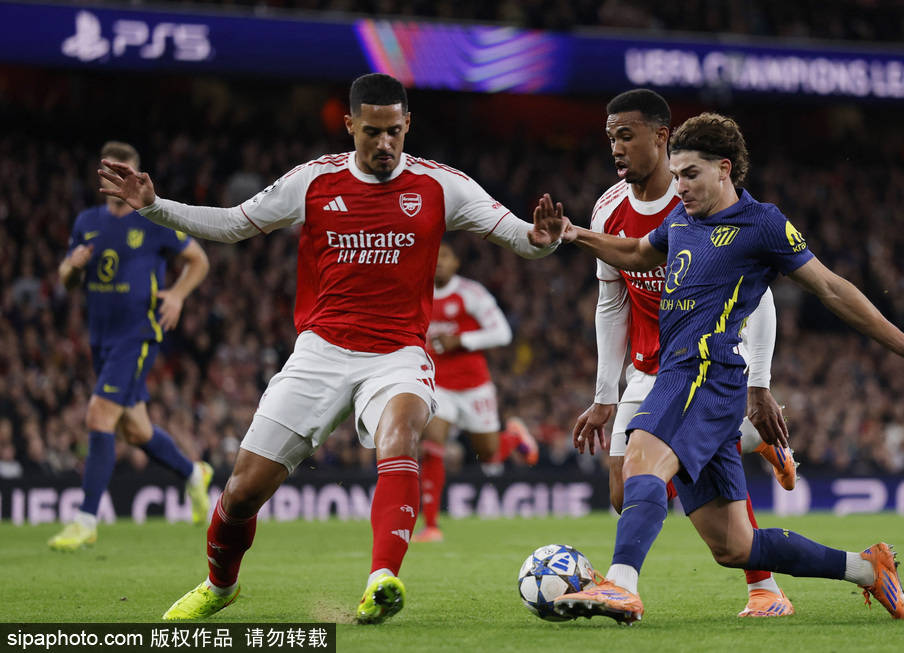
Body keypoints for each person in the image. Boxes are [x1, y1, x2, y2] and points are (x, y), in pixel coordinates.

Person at [98, 73, 565, 623]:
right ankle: (220, 585)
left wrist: (543, 240)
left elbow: (522, 237)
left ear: (408, 124)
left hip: (398, 355)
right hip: (320, 353)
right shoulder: (314, 181)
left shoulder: (442, 186)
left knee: (401, 433)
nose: (385, 143)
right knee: (242, 491)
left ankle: (381, 579)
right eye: (372, 132)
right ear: (350, 125)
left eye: (394, 131)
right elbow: (232, 225)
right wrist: (155, 207)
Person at [549, 112, 904, 624]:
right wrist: (574, 234)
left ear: (725, 169)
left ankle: (621, 585)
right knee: (734, 546)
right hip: (692, 380)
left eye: (691, 174)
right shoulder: (681, 220)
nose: (680, 186)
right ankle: (866, 568)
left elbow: (831, 288)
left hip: (704, 372)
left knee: (641, 462)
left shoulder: (762, 223)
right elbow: (634, 252)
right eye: (676, 175)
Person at [572, 90, 797, 617]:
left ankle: (761, 589)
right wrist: (605, 395)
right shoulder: (608, 209)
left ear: (661, 137)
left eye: (626, 136)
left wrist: (758, 384)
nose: (616, 148)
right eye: (610, 138)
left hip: (706, 360)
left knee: (655, 470)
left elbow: (761, 297)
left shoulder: (703, 199)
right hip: (649, 367)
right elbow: (612, 303)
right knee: (623, 494)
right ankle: (747, 440)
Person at [49, 141, 213, 552]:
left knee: (99, 414)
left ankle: (86, 521)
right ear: (102, 175)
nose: (119, 180)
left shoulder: (154, 219)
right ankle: (193, 473)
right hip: (100, 337)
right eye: (112, 172)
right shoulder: (87, 221)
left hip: (138, 333)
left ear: (138, 177)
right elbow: (67, 280)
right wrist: (72, 267)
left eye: (126, 173)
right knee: (135, 429)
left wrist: (177, 295)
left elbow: (199, 260)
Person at [414, 241, 538, 543]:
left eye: (445, 256)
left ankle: (513, 437)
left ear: (456, 263)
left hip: (473, 386)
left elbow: (503, 333)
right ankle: (431, 526)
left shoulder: (471, 293)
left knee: (489, 455)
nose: (439, 262)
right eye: (435, 256)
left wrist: (462, 340)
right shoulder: (416, 293)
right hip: (437, 384)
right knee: (431, 445)